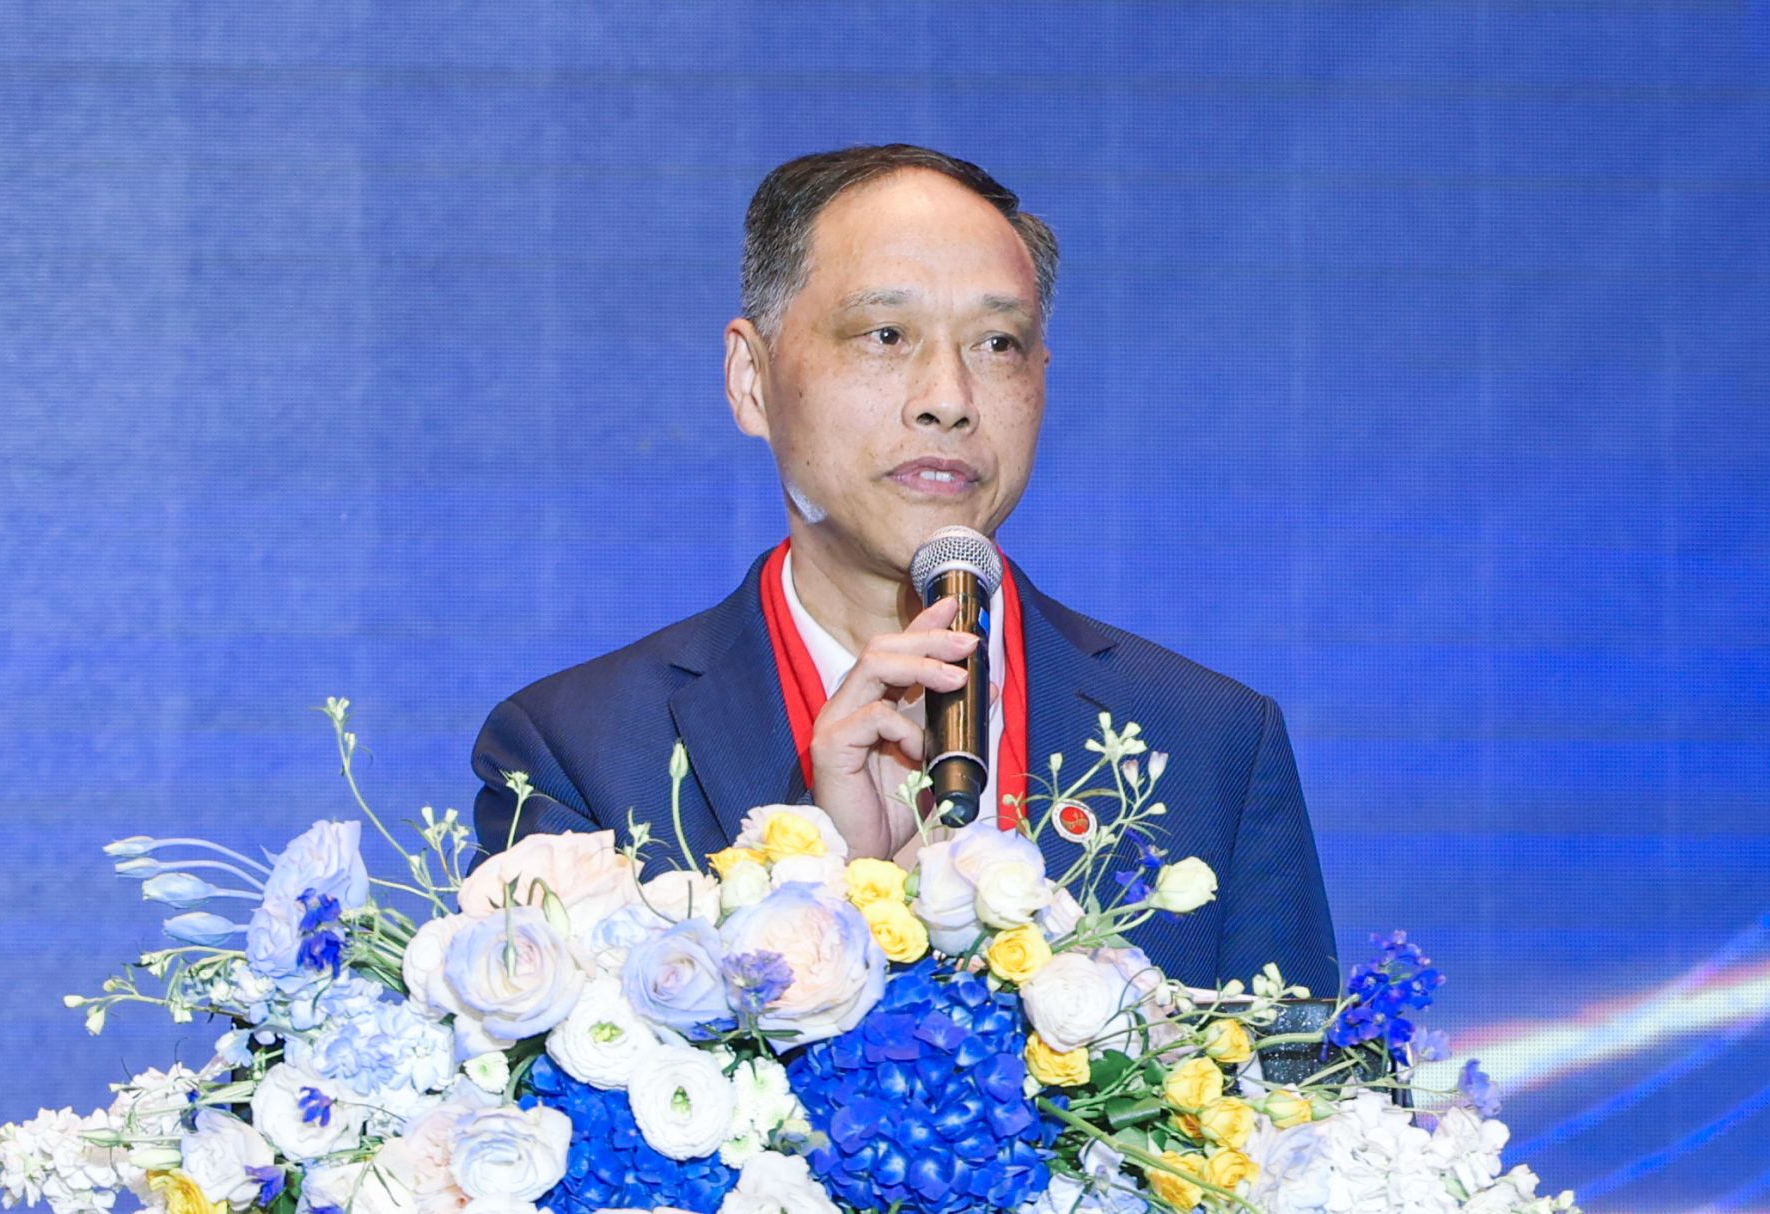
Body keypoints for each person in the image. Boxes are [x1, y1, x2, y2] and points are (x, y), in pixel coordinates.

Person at [470, 144, 1339, 995]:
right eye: (886, 335)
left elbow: (1301, 1080)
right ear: (750, 379)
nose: (949, 400)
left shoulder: (1211, 740)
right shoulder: (580, 752)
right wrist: (837, 884)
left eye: (997, 344)